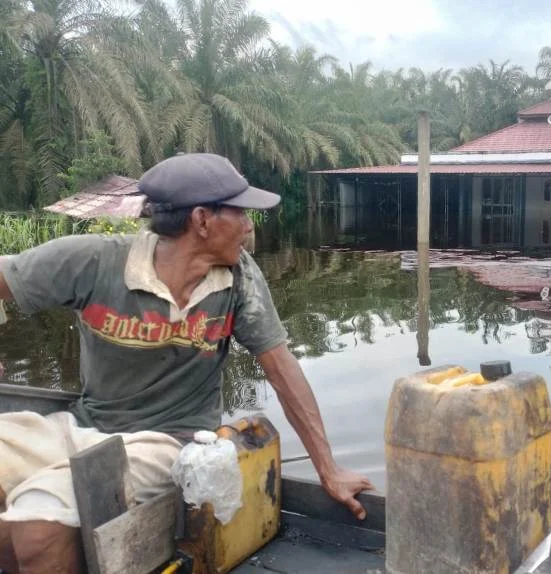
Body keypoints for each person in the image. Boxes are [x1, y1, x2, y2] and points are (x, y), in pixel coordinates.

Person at [0, 153, 375, 574]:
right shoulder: (95, 261)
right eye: (241, 213)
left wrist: (330, 470)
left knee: (36, 526)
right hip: (81, 426)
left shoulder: (238, 281)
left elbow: (282, 371)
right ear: (202, 220)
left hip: (167, 444)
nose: (250, 226)